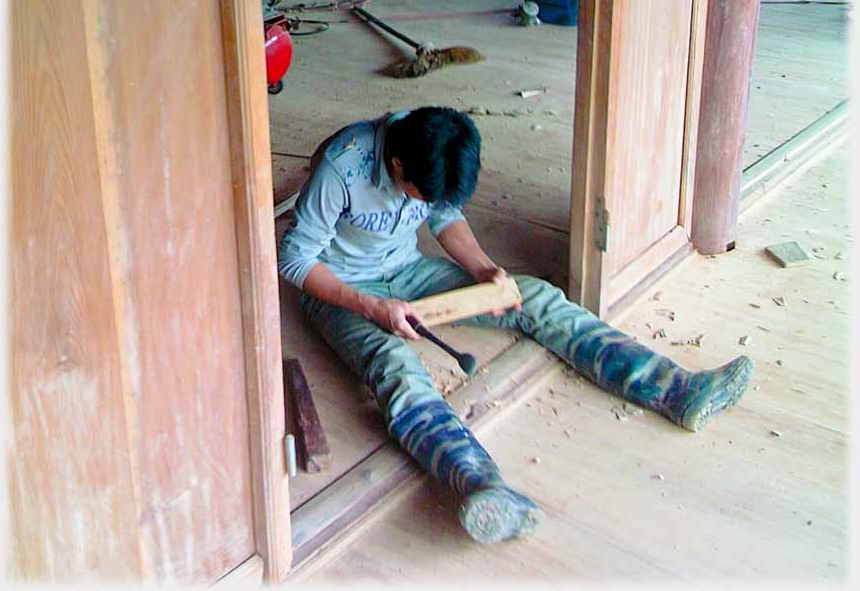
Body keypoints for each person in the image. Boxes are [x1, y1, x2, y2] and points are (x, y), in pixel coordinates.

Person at [278, 107, 753, 544]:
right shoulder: (343, 166)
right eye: (420, 192)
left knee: (532, 298)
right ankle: (481, 485)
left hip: (408, 271)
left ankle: (674, 389)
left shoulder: (434, 149)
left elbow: (445, 217)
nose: (428, 201)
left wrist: (484, 271)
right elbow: (295, 260)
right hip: (340, 292)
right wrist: (370, 307)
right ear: (397, 167)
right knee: (395, 365)